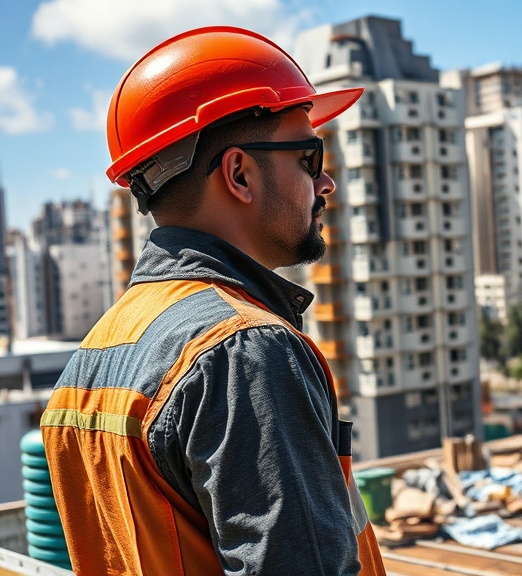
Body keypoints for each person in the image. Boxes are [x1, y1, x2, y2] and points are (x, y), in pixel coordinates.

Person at [39, 27, 384, 575]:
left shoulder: (91, 359)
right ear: (240, 174)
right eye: (309, 157)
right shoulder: (244, 350)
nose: (327, 184)